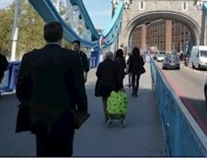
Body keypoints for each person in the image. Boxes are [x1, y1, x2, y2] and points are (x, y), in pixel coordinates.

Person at [16, 21, 88, 157]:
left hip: (39, 115)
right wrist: (82, 111)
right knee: (64, 152)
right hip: (65, 115)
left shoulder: (30, 57)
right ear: (61, 36)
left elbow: (20, 89)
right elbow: (79, 88)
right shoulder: (72, 57)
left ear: (44, 36)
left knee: (42, 151)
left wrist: (32, 104)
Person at [94, 51, 125, 121]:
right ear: (112, 57)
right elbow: (118, 76)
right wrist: (120, 86)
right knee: (111, 100)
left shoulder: (101, 64)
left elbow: (97, 73)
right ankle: (111, 114)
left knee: (104, 101)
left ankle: (106, 116)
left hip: (103, 86)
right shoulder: (115, 64)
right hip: (113, 86)